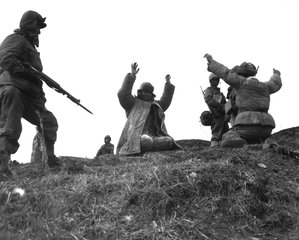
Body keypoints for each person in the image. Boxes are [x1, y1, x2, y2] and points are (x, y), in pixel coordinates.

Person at [0, 10, 61, 179]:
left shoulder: (29, 46)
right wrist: (28, 73)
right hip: (12, 89)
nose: (39, 31)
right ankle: (2, 167)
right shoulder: (15, 39)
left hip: (29, 94)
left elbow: (34, 77)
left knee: (48, 120)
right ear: (28, 24)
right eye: (37, 25)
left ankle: (49, 160)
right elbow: (5, 59)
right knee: (10, 128)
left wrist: (39, 94)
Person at [204, 54, 282, 148]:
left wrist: (211, 62)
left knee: (226, 136)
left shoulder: (240, 83)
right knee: (261, 136)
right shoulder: (266, 86)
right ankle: (267, 141)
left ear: (240, 74)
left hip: (246, 125)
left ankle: (239, 141)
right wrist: (276, 74)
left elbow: (225, 73)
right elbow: (276, 83)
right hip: (267, 126)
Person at [116, 62, 181, 155]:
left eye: (148, 93)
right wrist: (132, 75)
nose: (146, 94)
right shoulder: (132, 103)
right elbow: (123, 94)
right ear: (140, 92)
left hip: (153, 137)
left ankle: (147, 148)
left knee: (169, 141)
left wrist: (168, 84)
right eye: (144, 92)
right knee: (146, 141)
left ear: (152, 94)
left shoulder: (155, 105)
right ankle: (135, 147)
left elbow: (165, 101)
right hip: (136, 137)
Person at [203, 73, 229, 147]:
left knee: (225, 131)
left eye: (217, 80)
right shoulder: (209, 90)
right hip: (215, 114)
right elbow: (208, 100)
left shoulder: (220, 93)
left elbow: (225, 103)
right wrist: (218, 105)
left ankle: (224, 145)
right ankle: (214, 145)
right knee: (216, 130)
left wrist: (225, 108)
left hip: (222, 114)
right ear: (211, 81)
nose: (216, 81)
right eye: (214, 80)